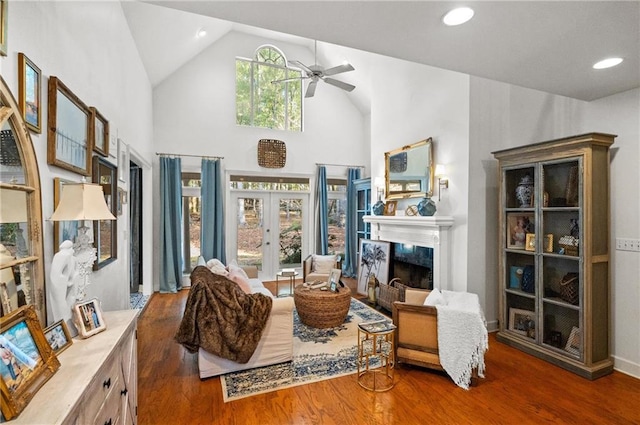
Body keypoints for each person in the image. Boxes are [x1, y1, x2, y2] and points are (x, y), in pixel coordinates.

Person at [48, 240, 79, 324]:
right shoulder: (61, 256)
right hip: (60, 285)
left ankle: (69, 323)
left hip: (69, 284)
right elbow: (56, 274)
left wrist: (72, 279)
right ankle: (64, 325)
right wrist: (66, 280)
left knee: (71, 303)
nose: (73, 250)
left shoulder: (72, 258)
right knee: (61, 307)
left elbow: (75, 271)